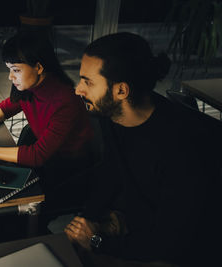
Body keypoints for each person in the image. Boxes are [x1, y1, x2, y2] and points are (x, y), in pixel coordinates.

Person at [64, 32, 222, 266]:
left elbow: (170, 243)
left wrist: (98, 241)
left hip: (189, 251)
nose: (78, 89)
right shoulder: (114, 115)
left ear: (121, 91)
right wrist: (86, 220)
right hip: (145, 225)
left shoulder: (183, 148)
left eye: (88, 81)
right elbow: (111, 172)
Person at [0, 31, 95, 241]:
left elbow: (38, 156)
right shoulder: (30, 86)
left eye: (16, 70)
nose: (10, 76)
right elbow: (6, 107)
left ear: (39, 67)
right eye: (9, 70)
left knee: (8, 212)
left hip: (68, 171)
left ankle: (21, 247)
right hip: (44, 159)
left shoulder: (65, 101)